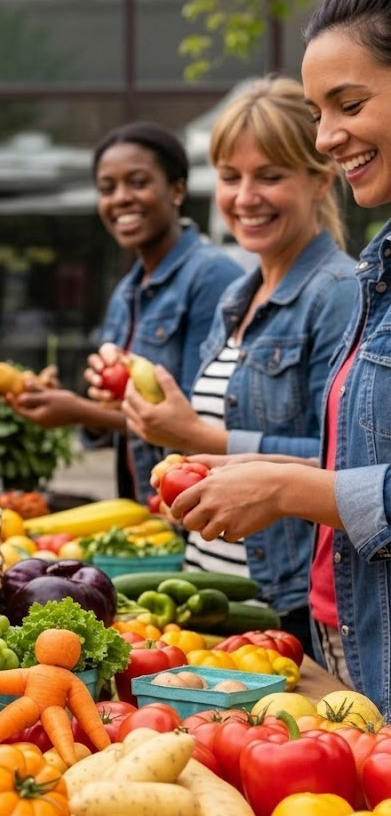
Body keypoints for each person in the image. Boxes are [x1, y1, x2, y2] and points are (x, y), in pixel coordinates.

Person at [169, 0, 391, 718]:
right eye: (319, 112)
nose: (327, 135)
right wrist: (243, 469)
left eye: (348, 105)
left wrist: (273, 482)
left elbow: (335, 476)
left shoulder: (336, 286)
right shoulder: (374, 273)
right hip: (345, 624)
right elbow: (353, 457)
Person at [119, 77, 357, 658]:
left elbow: (346, 466)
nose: (245, 197)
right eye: (230, 177)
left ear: (321, 179)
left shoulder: (339, 294)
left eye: (269, 176)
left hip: (284, 601)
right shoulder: (238, 297)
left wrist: (199, 437)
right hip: (213, 588)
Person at [8, 123, 244, 505]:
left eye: (138, 182)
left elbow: (196, 422)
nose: (120, 198)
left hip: (194, 504)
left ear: (177, 190)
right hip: (142, 506)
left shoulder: (212, 278)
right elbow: (118, 413)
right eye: (107, 188)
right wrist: (79, 405)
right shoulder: (126, 292)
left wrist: (78, 411)